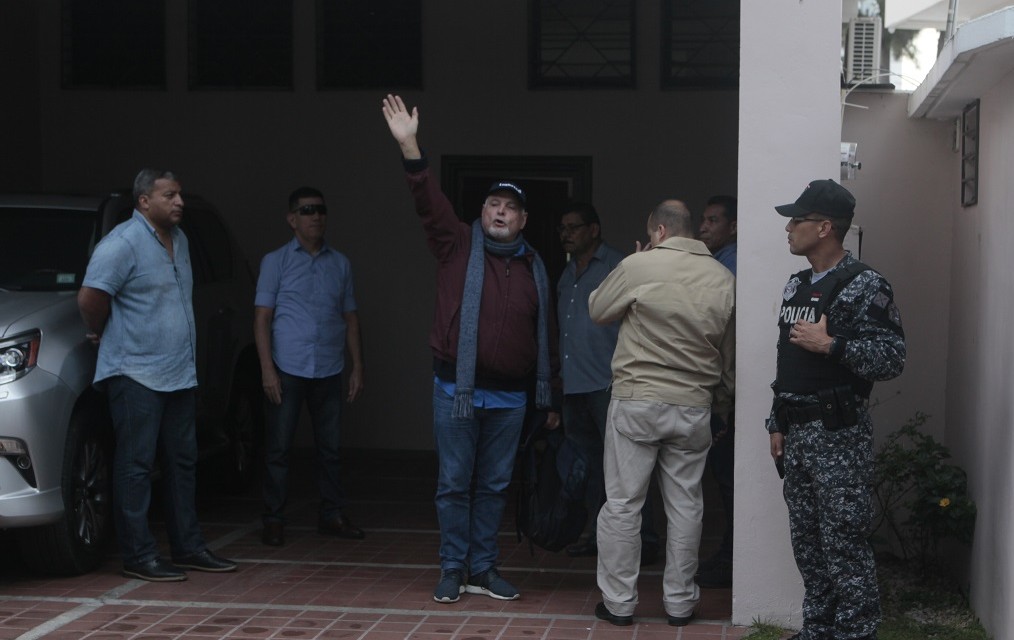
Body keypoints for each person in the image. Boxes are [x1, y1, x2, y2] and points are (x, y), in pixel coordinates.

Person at [382, 94, 561, 604]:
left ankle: (483, 568)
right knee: (454, 484)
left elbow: (546, 338)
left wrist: (549, 400)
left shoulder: (536, 268)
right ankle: (452, 567)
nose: (501, 212)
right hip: (455, 391)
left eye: (511, 208)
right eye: (494, 205)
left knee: (494, 488)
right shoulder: (456, 244)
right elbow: (426, 200)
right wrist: (410, 145)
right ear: (481, 213)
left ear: (523, 221)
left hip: (510, 400)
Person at [78, 169, 237, 582]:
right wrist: (101, 331)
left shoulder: (180, 240)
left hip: (178, 374)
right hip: (135, 374)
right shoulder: (122, 244)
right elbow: (91, 297)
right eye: (170, 195)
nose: (179, 202)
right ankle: (139, 555)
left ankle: (187, 546)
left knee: (183, 463)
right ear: (144, 202)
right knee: (136, 465)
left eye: (180, 194)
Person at [768, 179, 905, 640]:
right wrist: (776, 422)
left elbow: (891, 358)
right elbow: (787, 360)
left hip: (838, 435)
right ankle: (819, 630)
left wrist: (832, 345)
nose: (788, 228)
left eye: (797, 220)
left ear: (825, 227)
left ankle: (855, 632)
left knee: (844, 542)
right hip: (798, 433)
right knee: (808, 545)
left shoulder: (865, 284)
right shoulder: (797, 283)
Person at [588, 200, 735, 627]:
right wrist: (721, 406)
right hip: (693, 406)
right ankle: (680, 604)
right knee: (687, 505)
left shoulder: (640, 266)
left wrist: (636, 262)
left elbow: (598, 310)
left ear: (659, 232)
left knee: (622, 505)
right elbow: (729, 357)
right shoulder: (723, 278)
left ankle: (618, 604)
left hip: (637, 400)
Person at [254, 187, 365, 547]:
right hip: (287, 367)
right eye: (306, 210)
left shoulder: (341, 263)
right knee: (279, 449)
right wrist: (267, 370)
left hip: (329, 367)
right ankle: (273, 519)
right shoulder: (276, 261)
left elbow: (350, 319)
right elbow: (261, 319)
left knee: (330, 450)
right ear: (292, 219)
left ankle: (331, 514)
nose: (316, 216)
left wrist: (358, 367)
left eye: (320, 210)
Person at [555, 202, 659, 565]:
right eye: (563, 227)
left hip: (609, 384)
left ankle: (644, 539)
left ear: (593, 230)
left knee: (626, 467)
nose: (566, 233)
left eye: (574, 226)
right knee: (588, 465)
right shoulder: (566, 273)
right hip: (574, 387)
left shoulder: (618, 265)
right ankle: (597, 536)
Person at [695, 194, 737, 588]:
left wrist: (723, 401)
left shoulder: (729, 267)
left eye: (712, 221)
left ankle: (731, 557)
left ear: (733, 227)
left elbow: (724, 334)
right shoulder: (716, 263)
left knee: (727, 477)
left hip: (729, 392)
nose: (703, 227)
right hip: (725, 390)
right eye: (703, 220)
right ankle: (729, 553)